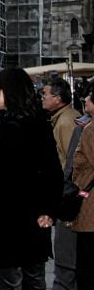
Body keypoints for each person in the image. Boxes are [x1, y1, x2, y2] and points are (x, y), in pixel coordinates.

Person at [0, 68, 62, 289]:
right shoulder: (39, 123)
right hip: (33, 215)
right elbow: (53, 171)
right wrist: (49, 210)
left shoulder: (5, 128)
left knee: (9, 281)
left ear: (8, 92)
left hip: (4, 218)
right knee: (34, 278)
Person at [42, 78, 81, 290]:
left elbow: (72, 164)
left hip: (69, 198)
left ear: (57, 98)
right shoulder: (62, 118)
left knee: (66, 260)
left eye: (45, 95)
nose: (42, 98)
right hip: (67, 196)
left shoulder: (66, 122)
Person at [72, 89, 94, 290]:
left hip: (90, 208)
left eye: (89, 96)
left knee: (86, 267)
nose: (85, 99)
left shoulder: (91, 130)